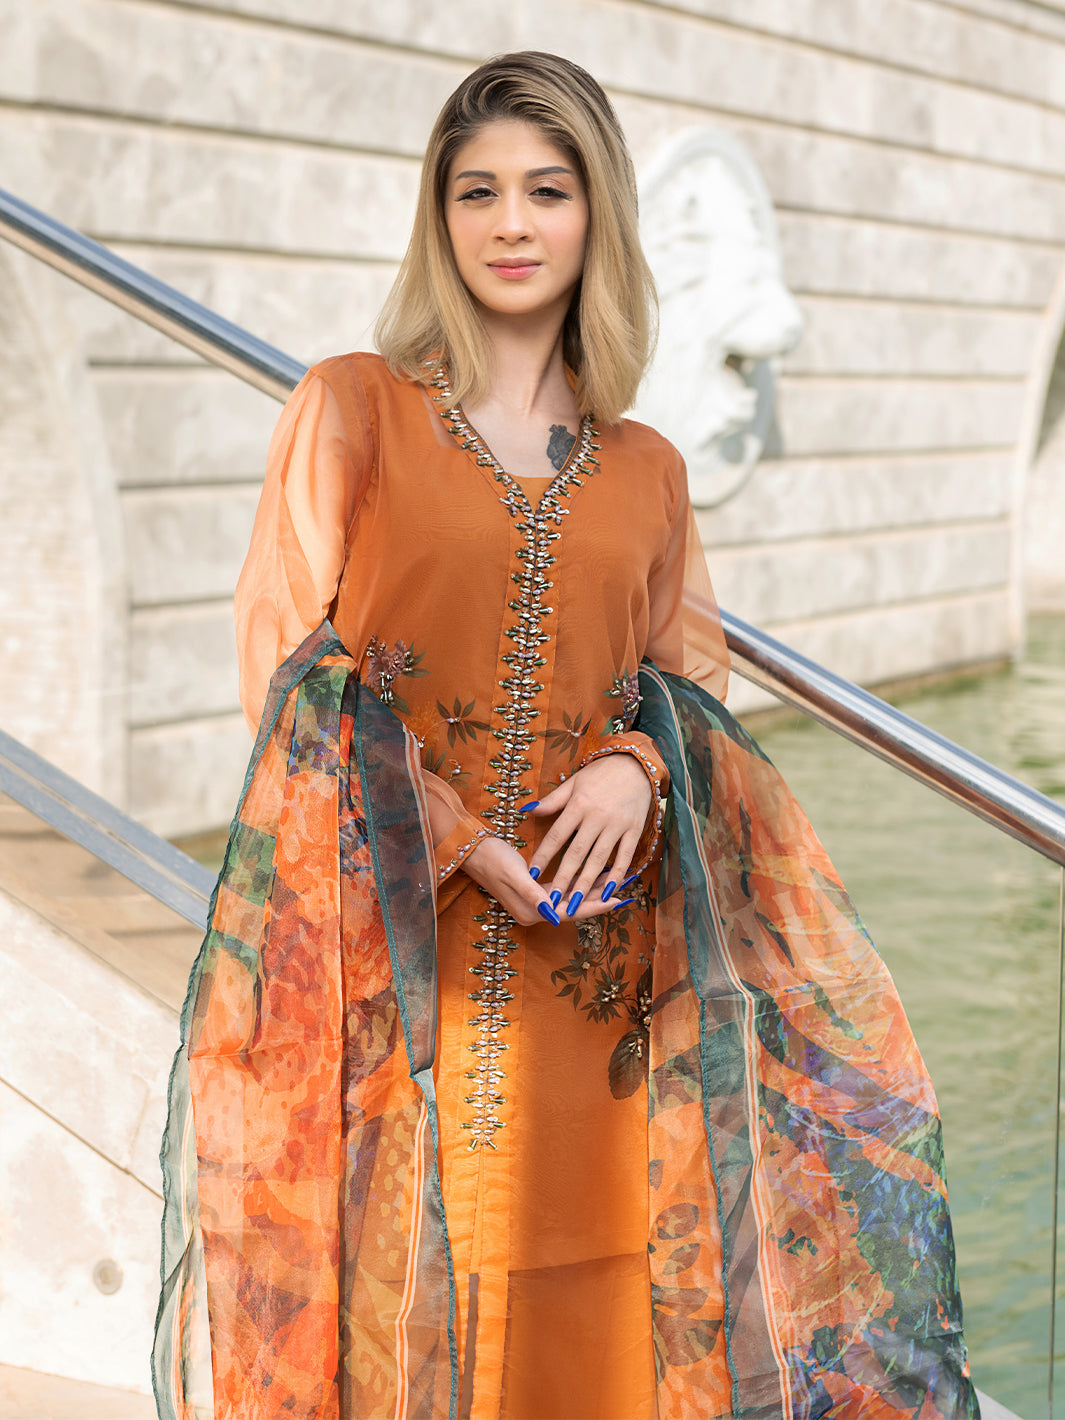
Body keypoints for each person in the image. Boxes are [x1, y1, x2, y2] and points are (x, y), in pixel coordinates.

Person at [153, 51, 979, 1420]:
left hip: (595, 972)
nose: (511, 224)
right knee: (400, 1294)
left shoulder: (647, 470)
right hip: (393, 965)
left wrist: (636, 767)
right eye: (475, 192)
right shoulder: (353, 410)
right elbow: (287, 675)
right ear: (439, 218)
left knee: (595, 1308)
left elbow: (684, 684)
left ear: (597, 214)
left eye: (546, 189)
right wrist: (455, 838)